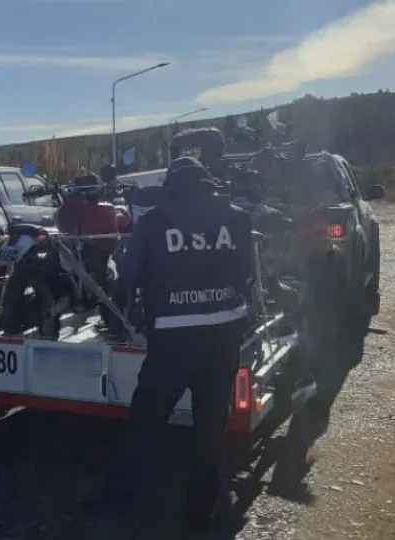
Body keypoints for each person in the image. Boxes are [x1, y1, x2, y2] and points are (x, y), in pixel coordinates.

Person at [111, 156, 255, 529]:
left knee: (145, 422)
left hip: (172, 340)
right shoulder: (237, 218)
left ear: (171, 186)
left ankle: (124, 499)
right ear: (208, 182)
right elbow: (247, 275)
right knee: (210, 429)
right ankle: (200, 512)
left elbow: (127, 277)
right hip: (223, 336)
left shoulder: (154, 222)